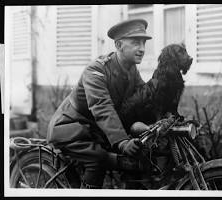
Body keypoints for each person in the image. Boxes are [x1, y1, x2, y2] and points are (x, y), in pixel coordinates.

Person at [46, 19, 155, 189]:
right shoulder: (96, 70)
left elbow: (143, 99)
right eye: (136, 43)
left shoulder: (131, 69)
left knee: (137, 158)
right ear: (119, 45)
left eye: (143, 43)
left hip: (94, 129)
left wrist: (163, 119)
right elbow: (102, 106)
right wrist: (121, 141)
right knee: (98, 159)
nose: (142, 49)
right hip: (71, 128)